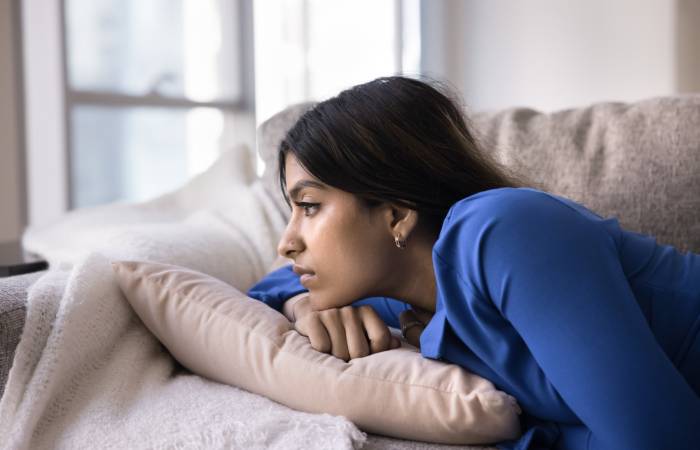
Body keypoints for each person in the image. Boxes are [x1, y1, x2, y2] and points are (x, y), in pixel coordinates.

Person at [246, 76, 700, 449]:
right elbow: (261, 293)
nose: (288, 242)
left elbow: (658, 440)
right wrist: (305, 307)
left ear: (397, 214)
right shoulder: (398, 295)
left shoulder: (502, 231)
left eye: (308, 206)